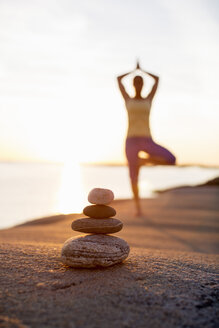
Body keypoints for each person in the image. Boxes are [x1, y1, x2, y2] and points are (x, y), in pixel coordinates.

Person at [117, 61, 176, 215]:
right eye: (135, 82)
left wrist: (142, 70)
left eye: (140, 82)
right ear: (133, 84)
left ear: (143, 84)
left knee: (171, 159)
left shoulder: (148, 99)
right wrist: (133, 71)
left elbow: (157, 79)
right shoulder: (127, 100)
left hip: (147, 139)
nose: (138, 84)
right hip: (130, 141)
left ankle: (143, 161)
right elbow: (118, 79)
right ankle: (138, 209)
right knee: (133, 176)